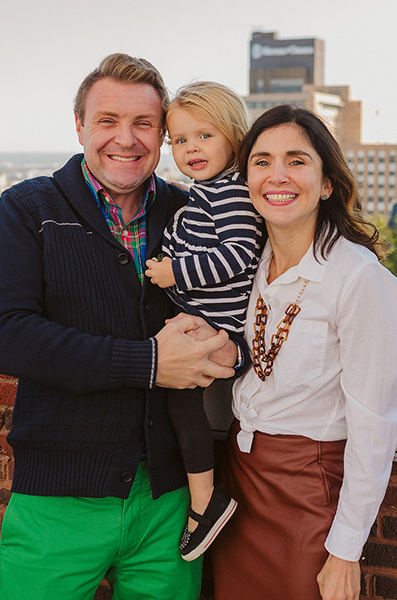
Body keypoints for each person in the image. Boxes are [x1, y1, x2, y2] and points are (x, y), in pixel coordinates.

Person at [0, 54, 243, 600]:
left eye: (144, 123)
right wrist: (148, 363)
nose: (127, 138)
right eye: (106, 121)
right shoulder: (29, 208)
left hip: (172, 508)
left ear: (163, 134)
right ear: (79, 126)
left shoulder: (189, 210)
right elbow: (2, 333)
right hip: (59, 499)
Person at [210, 105, 397, 600]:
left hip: (307, 495)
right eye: (261, 162)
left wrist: (344, 552)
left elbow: (374, 427)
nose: (277, 175)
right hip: (238, 486)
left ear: (326, 184)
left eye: (297, 161)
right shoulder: (247, 261)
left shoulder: (358, 278)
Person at [144, 81, 263, 561]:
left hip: (216, 327)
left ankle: (204, 501)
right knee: (173, 399)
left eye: (205, 136)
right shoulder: (205, 192)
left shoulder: (229, 193)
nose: (191, 148)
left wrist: (175, 270)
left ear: (234, 136)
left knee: (178, 398)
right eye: (180, 140)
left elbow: (238, 254)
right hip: (203, 320)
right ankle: (200, 496)